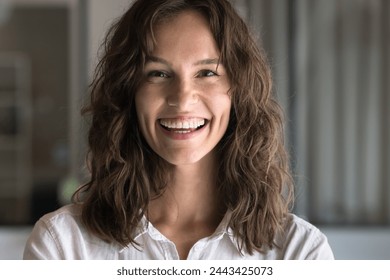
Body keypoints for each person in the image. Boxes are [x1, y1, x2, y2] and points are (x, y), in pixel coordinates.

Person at [23, 0, 334, 260]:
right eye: (158, 73)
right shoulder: (62, 246)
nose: (183, 98)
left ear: (238, 91)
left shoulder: (300, 251)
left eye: (206, 72)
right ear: (128, 92)